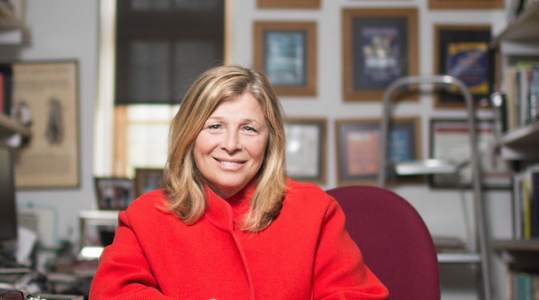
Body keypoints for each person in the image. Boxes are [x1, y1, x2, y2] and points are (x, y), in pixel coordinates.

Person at [89, 65, 389, 300]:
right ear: (189, 134)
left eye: (249, 128)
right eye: (215, 126)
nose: (231, 144)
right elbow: (112, 295)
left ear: (269, 138)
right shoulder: (145, 216)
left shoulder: (315, 210)